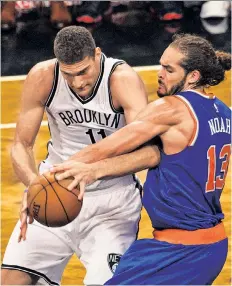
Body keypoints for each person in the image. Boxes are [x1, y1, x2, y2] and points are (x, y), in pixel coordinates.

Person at [51, 33, 231, 285]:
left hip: (183, 251)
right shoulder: (224, 112)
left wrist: (56, 173)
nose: (160, 73)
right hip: (203, 245)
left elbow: (112, 145)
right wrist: (94, 172)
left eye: (169, 69)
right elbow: (154, 156)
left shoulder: (171, 108)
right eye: (161, 65)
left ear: (193, 76)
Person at [1, 25, 160, 285]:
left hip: (111, 204)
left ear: (97, 54)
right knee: (10, 281)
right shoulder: (43, 76)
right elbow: (21, 144)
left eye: (83, 71)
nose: (78, 82)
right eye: (69, 74)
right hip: (55, 188)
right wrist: (35, 186)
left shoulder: (122, 79)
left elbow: (150, 152)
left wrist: (95, 170)